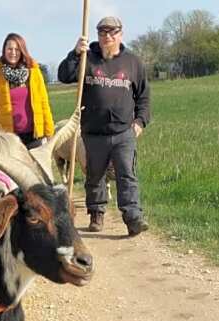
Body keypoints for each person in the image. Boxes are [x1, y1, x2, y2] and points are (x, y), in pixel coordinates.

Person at [58, 16, 150, 236]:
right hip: (93, 132)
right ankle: (96, 213)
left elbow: (144, 97)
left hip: (123, 132)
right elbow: (64, 75)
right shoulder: (87, 59)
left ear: (121, 34)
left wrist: (140, 122)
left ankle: (133, 217)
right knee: (94, 174)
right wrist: (75, 53)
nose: (107, 37)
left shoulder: (133, 62)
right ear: (97, 35)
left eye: (112, 33)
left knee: (126, 174)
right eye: (102, 33)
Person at [0, 33, 54, 149]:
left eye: (17, 49)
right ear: (4, 50)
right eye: (10, 49)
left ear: (22, 50)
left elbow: (43, 103)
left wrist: (49, 132)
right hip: (8, 138)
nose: (13, 52)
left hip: (34, 136)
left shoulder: (33, 71)